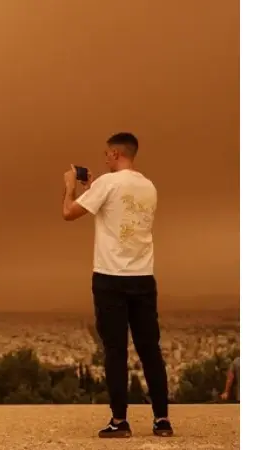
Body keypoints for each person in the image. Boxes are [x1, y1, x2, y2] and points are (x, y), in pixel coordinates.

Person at [61, 132, 173, 438]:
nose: (104, 159)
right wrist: (93, 188)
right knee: (150, 349)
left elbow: (69, 213)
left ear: (114, 154)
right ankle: (162, 419)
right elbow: (118, 212)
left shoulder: (107, 184)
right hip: (144, 276)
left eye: (106, 154)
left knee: (115, 351)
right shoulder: (149, 186)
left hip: (110, 277)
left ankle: (120, 421)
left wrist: (71, 187)